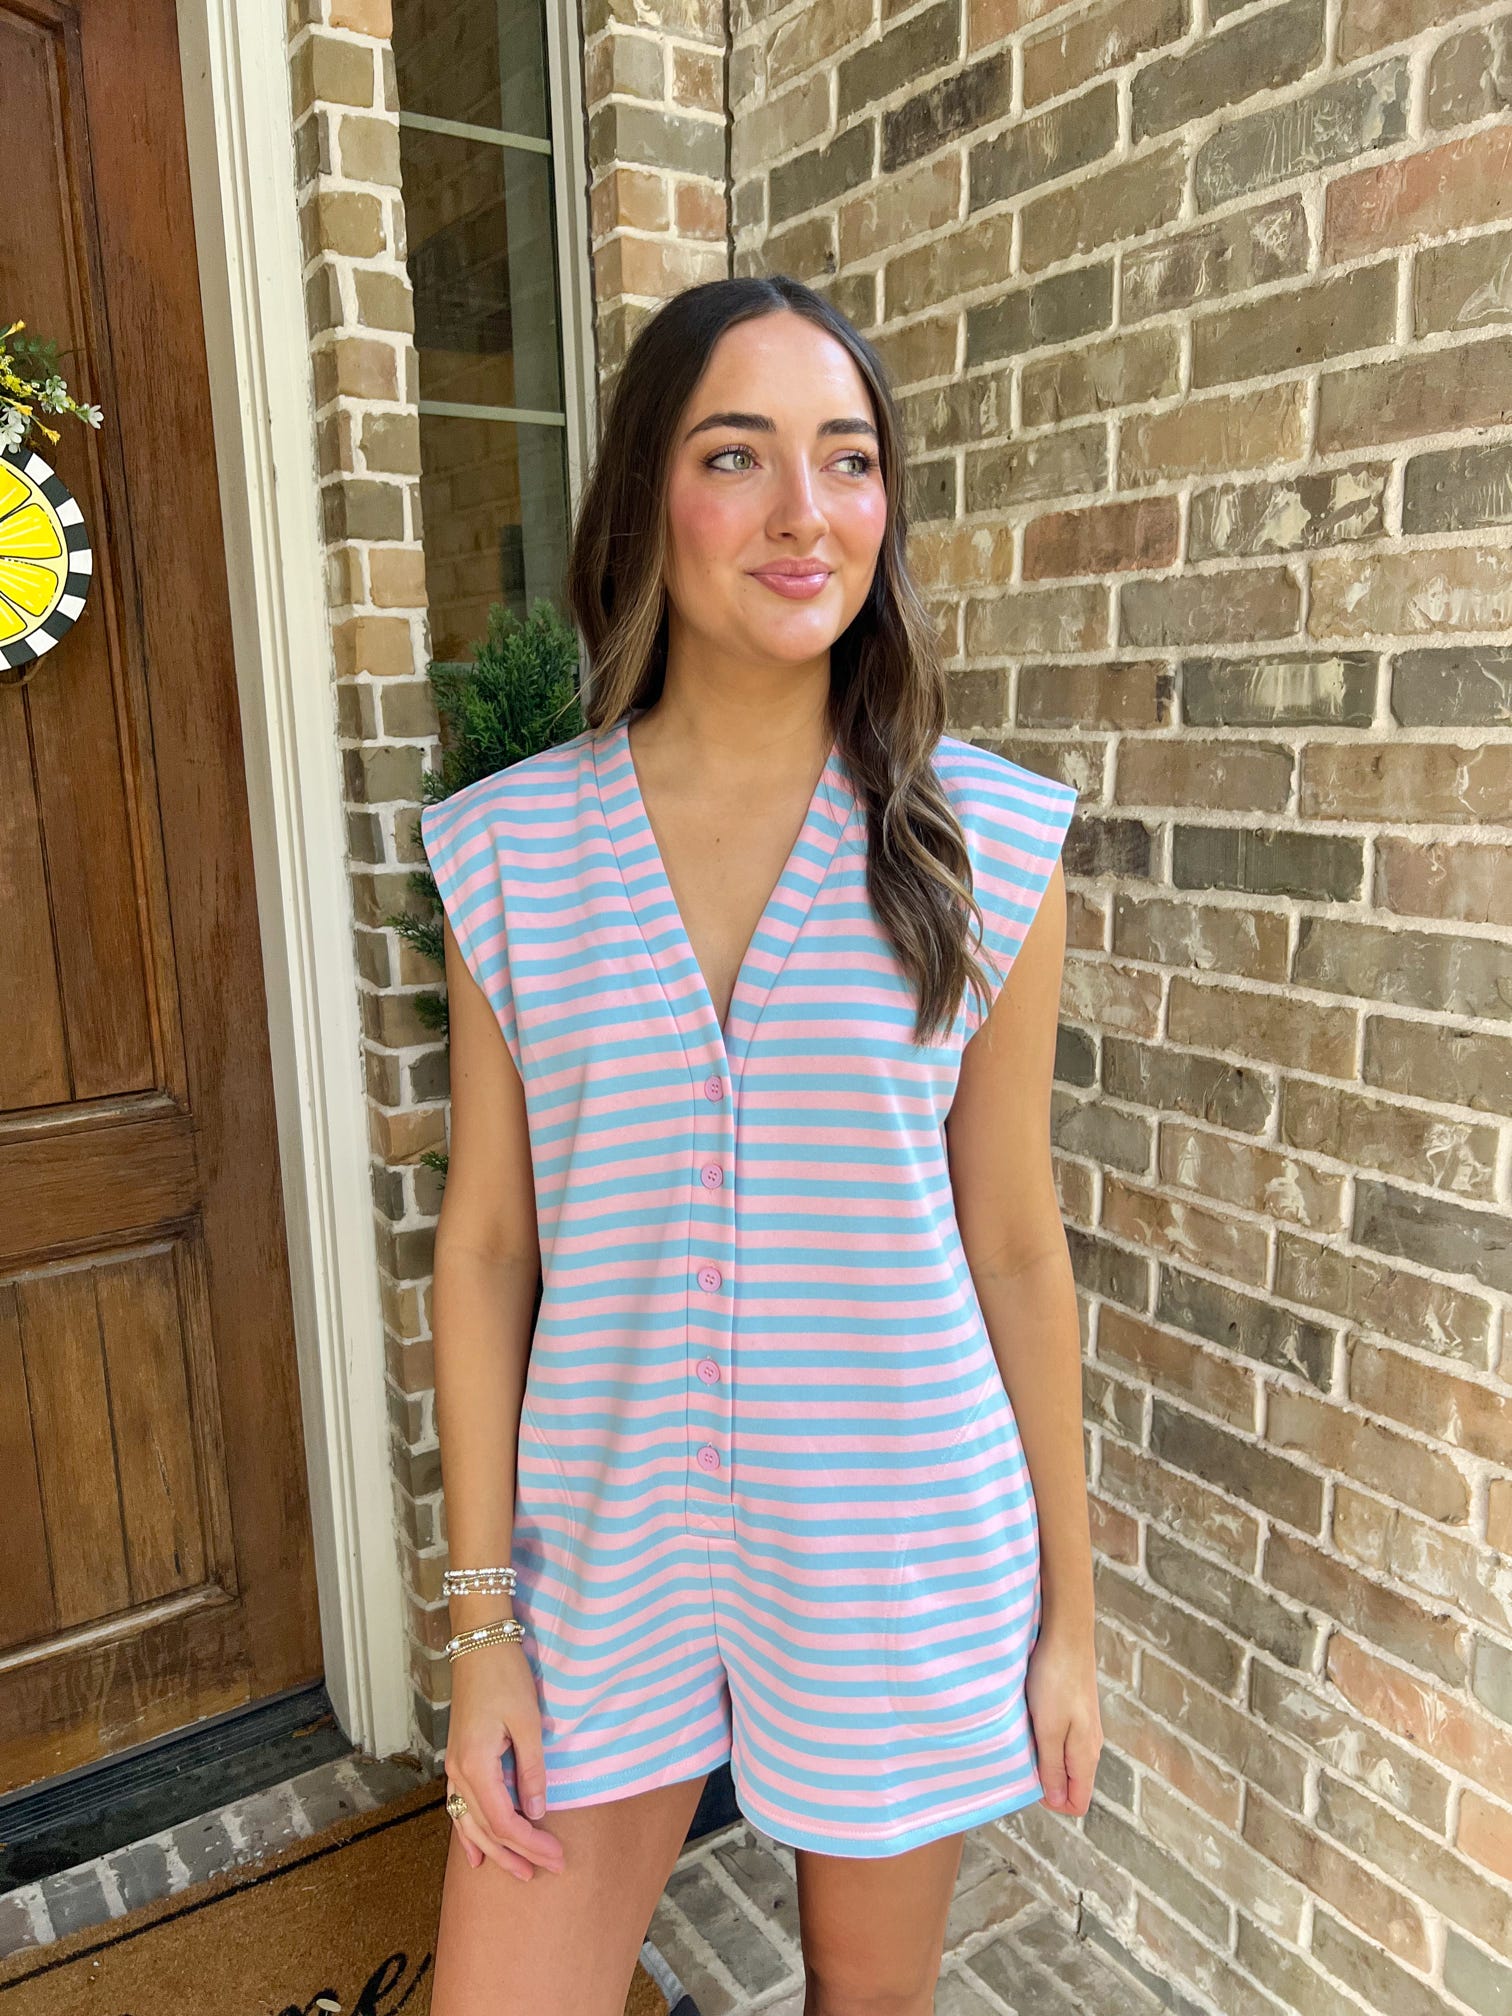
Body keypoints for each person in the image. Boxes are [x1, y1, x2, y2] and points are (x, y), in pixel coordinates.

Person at [419, 273, 1102, 2016]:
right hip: (602, 1545)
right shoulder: (512, 859)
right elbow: (490, 1249)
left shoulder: (984, 851)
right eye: (741, 455)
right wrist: (482, 1628)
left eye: (850, 459)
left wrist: (1071, 1622)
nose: (809, 514)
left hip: (895, 1542)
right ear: (652, 488)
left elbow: (1018, 1246)